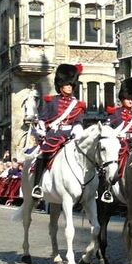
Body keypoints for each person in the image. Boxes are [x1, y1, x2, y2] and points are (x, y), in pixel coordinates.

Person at [32, 64, 86, 199]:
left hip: (70, 136)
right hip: (54, 136)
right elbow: (43, 118)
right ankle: (37, 186)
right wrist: (42, 129)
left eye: (71, 84)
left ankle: (88, 187)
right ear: (60, 85)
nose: (69, 86)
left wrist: (78, 128)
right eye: (67, 84)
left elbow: (79, 121)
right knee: (42, 154)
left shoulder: (78, 105)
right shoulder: (52, 101)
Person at [100, 77, 132, 203]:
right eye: (128, 98)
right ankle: (108, 188)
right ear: (122, 97)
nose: (130, 101)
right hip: (119, 145)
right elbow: (106, 130)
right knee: (115, 162)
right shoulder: (115, 114)